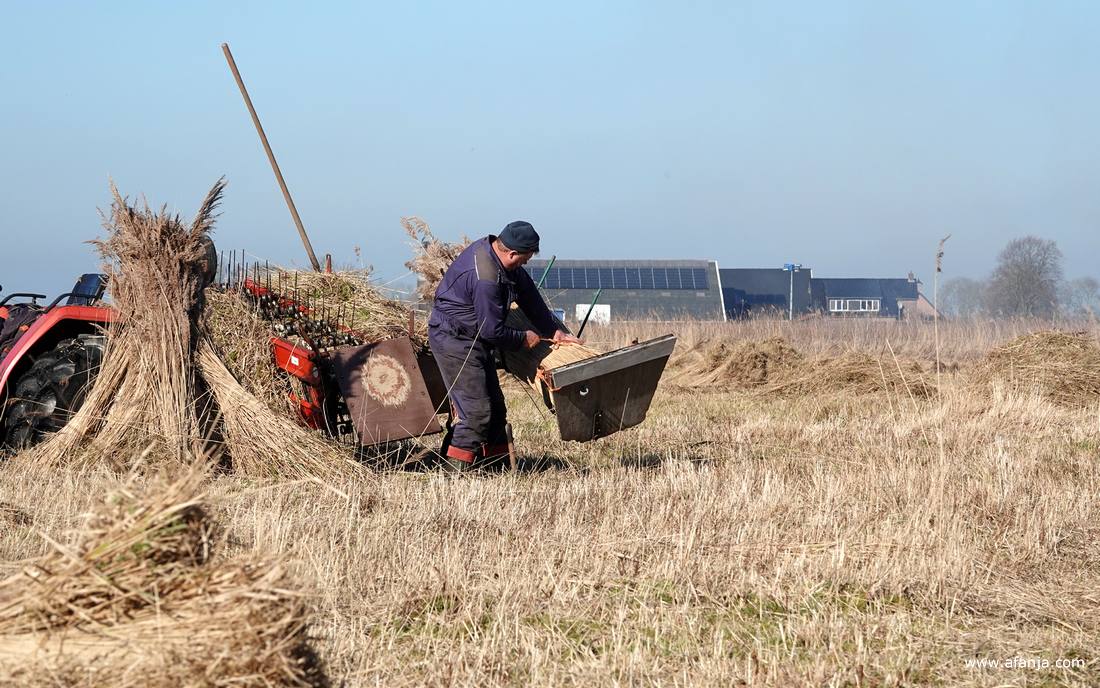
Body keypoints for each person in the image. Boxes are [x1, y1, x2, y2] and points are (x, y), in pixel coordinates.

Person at [428, 220, 581, 471]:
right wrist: (523, 338)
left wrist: (554, 331)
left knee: (496, 410)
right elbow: (491, 331)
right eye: (524, 259)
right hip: (455, 339)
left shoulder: (502, 260)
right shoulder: (486, 278)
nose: (525, 264)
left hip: (476, 337)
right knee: (477, 412)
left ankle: (495, 466)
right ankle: (453, 471)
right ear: (512, 253)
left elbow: (530, 297)